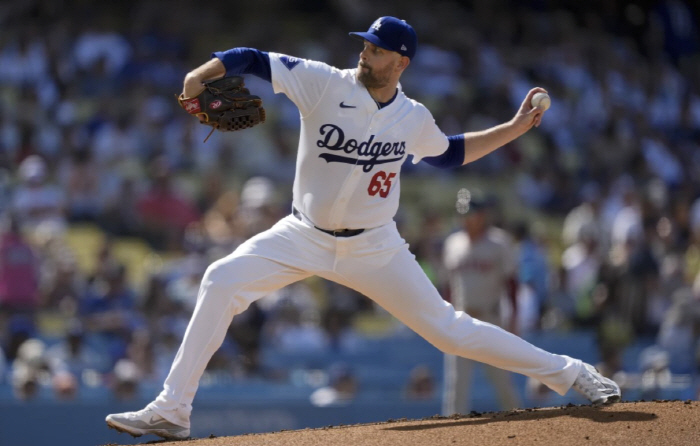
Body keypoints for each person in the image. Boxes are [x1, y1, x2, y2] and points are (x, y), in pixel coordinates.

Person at [106, 16, 620, 440]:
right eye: (365, 45)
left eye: (376, 50)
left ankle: (572, 373)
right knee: (220, 279)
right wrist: (201, 75)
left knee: (449, 331)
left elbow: (450, 155)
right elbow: (251, 57)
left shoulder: (412, 117)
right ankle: (173, 410)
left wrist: (512, 129)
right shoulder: (323, 81)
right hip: (301, 234)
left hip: (375, 246)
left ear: (401, 62)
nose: (365, 53)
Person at [441, 194, 522, 415]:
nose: (468, 219)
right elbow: (447, 286)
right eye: (464, 215)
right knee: (456, 385)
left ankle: (521, 426)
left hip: (490, 318)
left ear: (483, 215)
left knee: (502, 380)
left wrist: (514, 314)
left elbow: (512, 282)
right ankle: (452, 434)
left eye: (472, 214)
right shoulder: (453, 243)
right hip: (460, 320)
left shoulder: (499, 242)